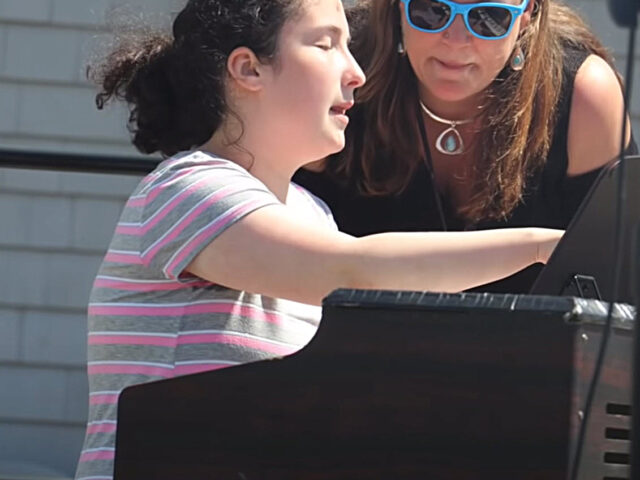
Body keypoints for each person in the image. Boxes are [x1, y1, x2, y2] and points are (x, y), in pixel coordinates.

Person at [75, 0, 562, 478]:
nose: (356, 73)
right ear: (248, 69)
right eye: (327, 44)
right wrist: (540, 246)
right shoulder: (187, 190)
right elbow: (353, 271)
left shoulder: (313, 215)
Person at [293, 0, 637, 291]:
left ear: (527, 14)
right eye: (432, 11)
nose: (456, 40)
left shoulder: (583, 95)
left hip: (529, 359)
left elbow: (611, 283)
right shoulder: (339, 71)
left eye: (488, 18)